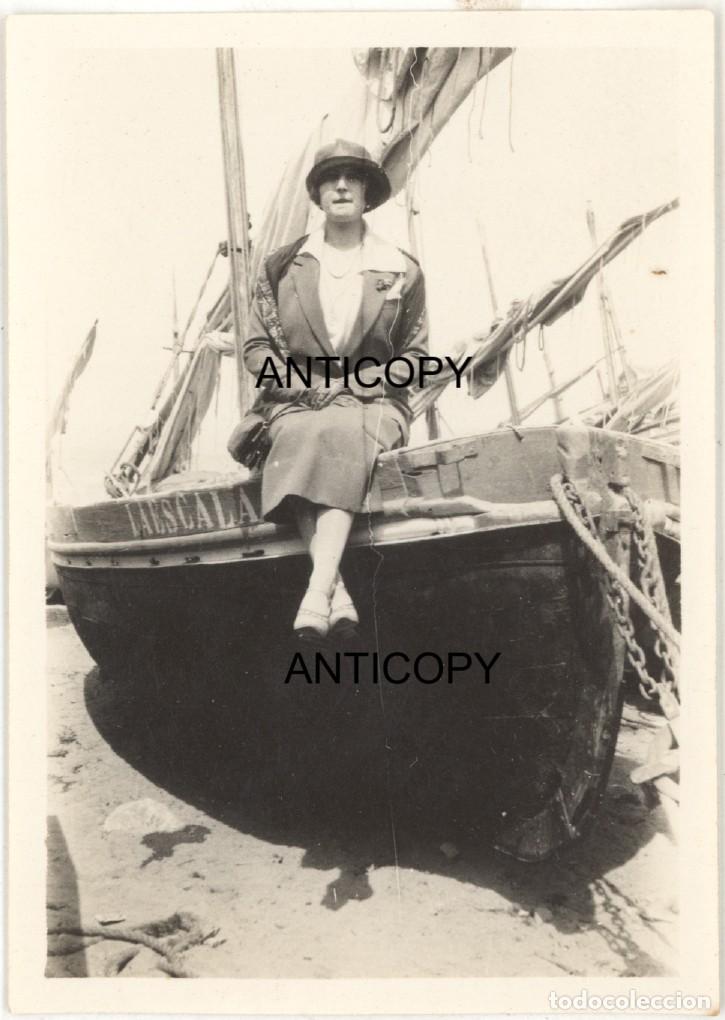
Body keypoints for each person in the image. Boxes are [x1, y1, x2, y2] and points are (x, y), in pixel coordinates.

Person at [242, 139, 428, 640]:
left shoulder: (401, 268)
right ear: (318, 193)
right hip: (295, 400)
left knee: (344, 427)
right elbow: (257, 348)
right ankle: (336, 593)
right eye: (331, 177)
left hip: (374, 401)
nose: (341, 185)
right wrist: (303, 385)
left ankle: (315, 591)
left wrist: (353, 382)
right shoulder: (283, 266)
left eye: (352, 177)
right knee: (300, 433)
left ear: (367, 192)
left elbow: (414, 357)